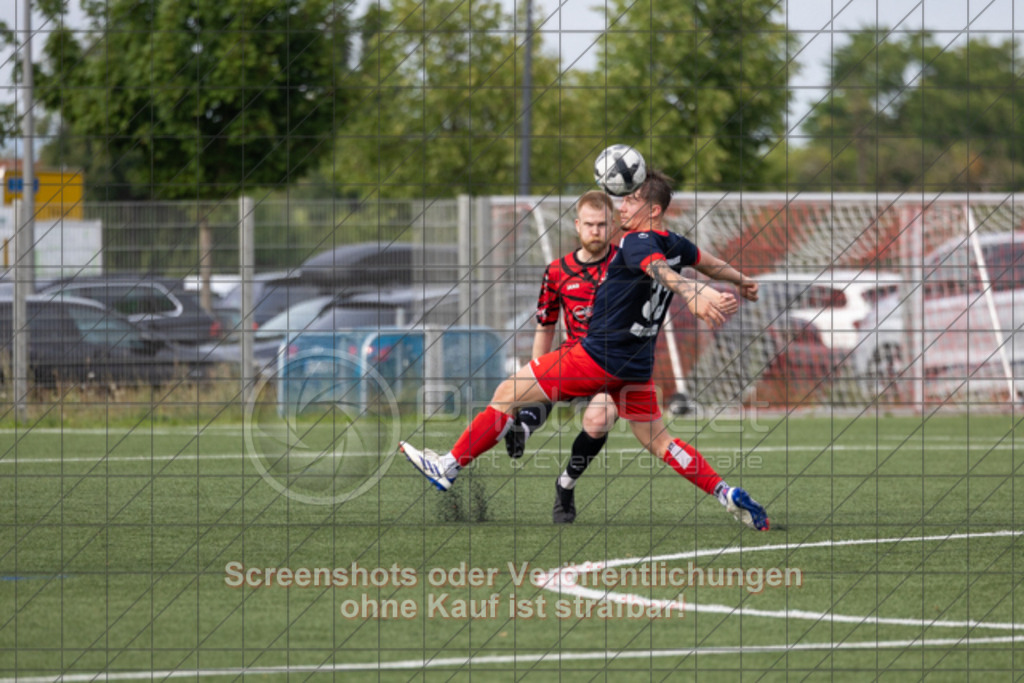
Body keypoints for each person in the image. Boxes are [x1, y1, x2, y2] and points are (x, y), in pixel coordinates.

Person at [400, 169, 769, 530]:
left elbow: (657, 269)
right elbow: (710, 263)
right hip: (636, 366)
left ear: (653, 210)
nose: (622, 206)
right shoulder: (676, 243)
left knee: (506, 393)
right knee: (660, 441)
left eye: (632, 200)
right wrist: (742, 280)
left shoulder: (636, 241)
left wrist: (691, 291)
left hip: (598, 356)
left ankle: (448, 466)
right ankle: (725, 492)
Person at [506, 190, 620, 523]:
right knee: (539, 390)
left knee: (599, 420)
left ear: (612, 225)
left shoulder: (626, 266)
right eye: (589, 224)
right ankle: (521, 431)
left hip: (613, 365)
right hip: (574, 357)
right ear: (577, 226)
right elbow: (545, 328)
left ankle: (565, 485)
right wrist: (533, 376)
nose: (595, 230)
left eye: (602, 224)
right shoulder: (556, 272)